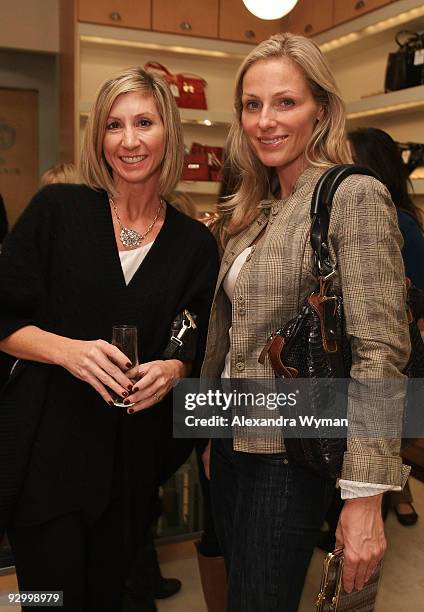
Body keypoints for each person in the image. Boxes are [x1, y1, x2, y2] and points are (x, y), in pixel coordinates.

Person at [200, 33, 411, 612]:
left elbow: (380, 351)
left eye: (285, 102)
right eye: (252, 104)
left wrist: (365, 496)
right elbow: (232, 335)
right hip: (233, 445)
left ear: (321, 108)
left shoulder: (352, 195)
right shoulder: (252, 208)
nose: (265, 121)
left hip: (291, 456)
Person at [0, 67, 219, 612]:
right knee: (49, 601)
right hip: (45, 462)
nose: (129, 140)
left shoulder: (193, 243)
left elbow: (190, 333)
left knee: (109, 597)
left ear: (168, 131)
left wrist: (175, 369)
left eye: (144, 122)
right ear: (98, 136)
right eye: (113, 125)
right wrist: (68, 351)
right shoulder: (59, 212)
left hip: (129, 470)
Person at [348, 126, 424, 527]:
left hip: (392, 347)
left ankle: (383, 503)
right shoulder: (398, 215)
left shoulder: (394, 220)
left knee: (384, 428)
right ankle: (399, 499)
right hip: (393, 346)